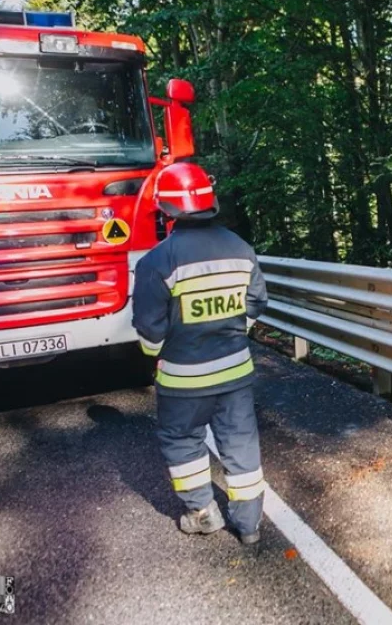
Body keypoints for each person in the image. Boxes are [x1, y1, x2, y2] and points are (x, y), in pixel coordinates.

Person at [132, 162, 268, 545]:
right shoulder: (241, 249)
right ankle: (250, 525)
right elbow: (256, 302)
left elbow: (149, 327)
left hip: (182, 378)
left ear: (165, 207)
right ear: (210, 200)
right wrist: (236, 333)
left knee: (183, 442)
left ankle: (204, 513)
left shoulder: (156, 262)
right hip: (235, 372)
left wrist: (155, 355)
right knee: (240, 442)